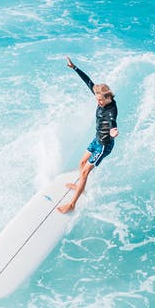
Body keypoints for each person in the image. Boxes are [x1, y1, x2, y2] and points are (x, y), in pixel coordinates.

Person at [57, 57, 118, 213]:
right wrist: (74, 67)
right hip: (96, 138)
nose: (98, 102)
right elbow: (89, 82)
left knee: (84, 172)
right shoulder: (101, 96)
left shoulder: (111, 110)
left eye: (100, 100)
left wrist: (114, 130)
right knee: (81, 163)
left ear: (108, 97)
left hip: (104, 145)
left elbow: (112, 122)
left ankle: (72, 204)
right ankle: (80, 188)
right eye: (96, 99)